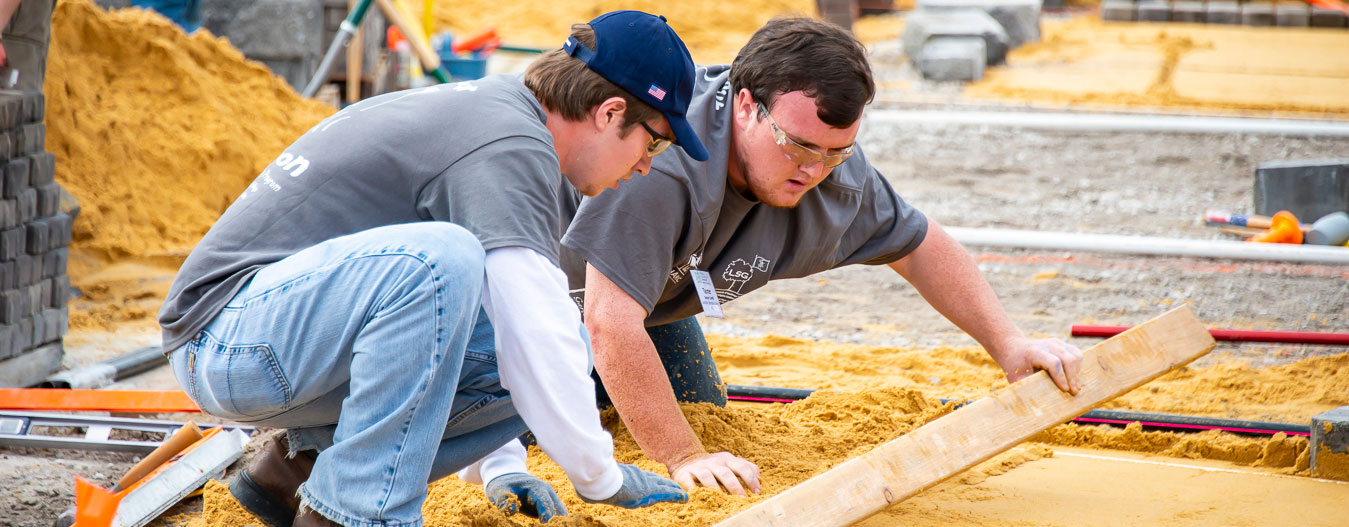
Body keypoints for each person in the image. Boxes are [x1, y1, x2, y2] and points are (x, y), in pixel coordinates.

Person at [474, 16, 1086, 498]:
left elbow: (920, 246)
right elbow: (607, 323)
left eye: (834, 153)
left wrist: (1010, 343)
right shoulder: (664, 163)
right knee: (524, 447)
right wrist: (681, 456)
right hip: (512, 303)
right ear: (745, 105)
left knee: (706, 418)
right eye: (798, 146)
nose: (813, 171)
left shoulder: (833, 176)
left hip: (647, 303)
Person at [157, 11, 707, 527]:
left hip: (278, 341)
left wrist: (502, 466)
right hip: (224, 339)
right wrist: (601, 479)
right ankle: (362, 513)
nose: (643, 166)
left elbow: (513, 341)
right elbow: (530, 326)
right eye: (653, 143)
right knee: (443, 264)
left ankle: (293, 472)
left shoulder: (507, 116)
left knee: (548, 340)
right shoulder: (511, 143)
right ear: (610, 113)